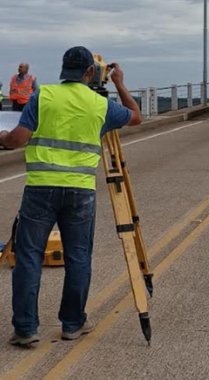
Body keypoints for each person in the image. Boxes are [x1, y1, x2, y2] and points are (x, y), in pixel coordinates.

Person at [0, 46, 142, 347]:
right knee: (79, 257)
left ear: (63, 69)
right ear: (90, 72)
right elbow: (136, 117)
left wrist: (2, 137)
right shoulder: (99, 104)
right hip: (80, 192)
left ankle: (25, 329)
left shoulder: (44, 96)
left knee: (28, 257)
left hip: (40, 188)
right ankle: (73, 323)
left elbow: (18, 140)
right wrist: (119, 83)